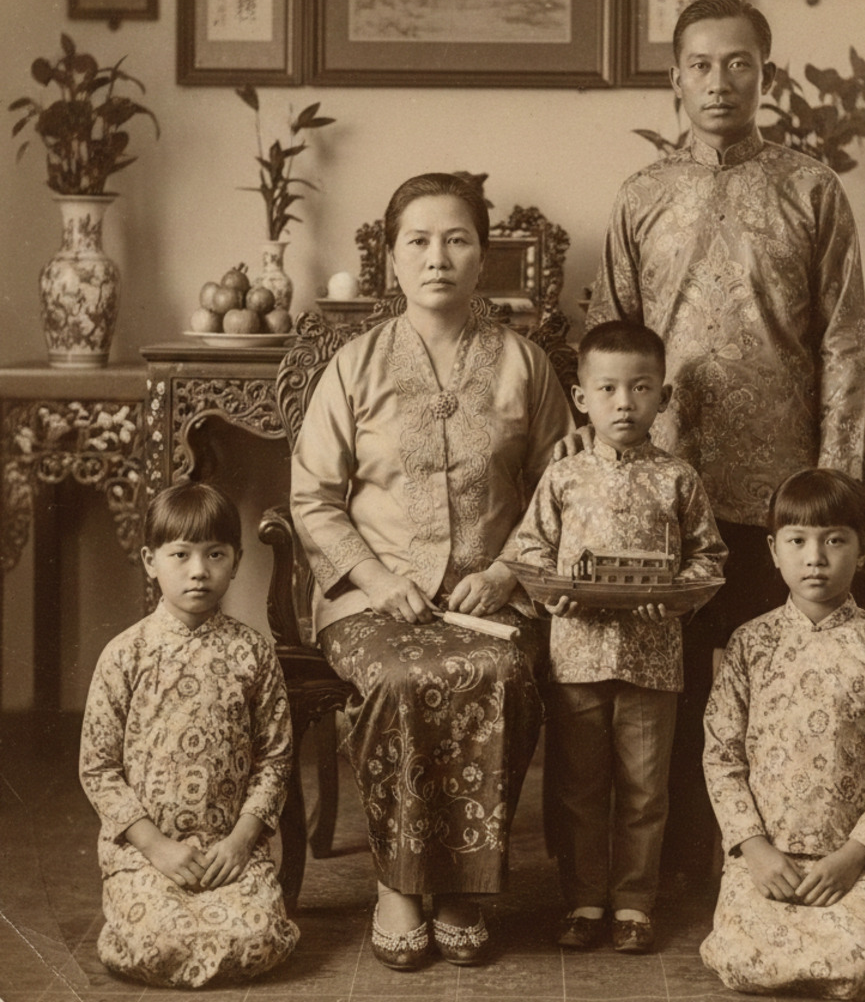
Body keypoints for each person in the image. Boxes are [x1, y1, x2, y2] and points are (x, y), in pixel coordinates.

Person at [584, 0, 865, 882]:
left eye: (739, 64)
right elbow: (609, 331)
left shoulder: (811, 188)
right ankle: (659, 866)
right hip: (657, 482)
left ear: (766, 76)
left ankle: (763, 854)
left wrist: (834, 475)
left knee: (760, 674)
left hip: (775, 482)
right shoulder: (642, 195)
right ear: (676, 79)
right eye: (702, 65)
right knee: (663, 682)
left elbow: (844, 341)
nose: (720, 83)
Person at [290, 172, 575, 970]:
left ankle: (465, 890)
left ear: (484, 257)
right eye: (417, 240)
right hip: (369, 601)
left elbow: (563, 489)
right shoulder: (356, 365)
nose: (437, 256)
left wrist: (512, 570)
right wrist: (379, 582)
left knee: (498, 669)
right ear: (390, 257)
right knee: (402, 680)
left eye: (456, 239)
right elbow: (312, 497)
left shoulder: (525, 365)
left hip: (490, 600)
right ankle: (401, 884)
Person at [515, 321, 727, 954]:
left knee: (643, 789)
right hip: (577, 656)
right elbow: (529, 548)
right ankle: (583, 898)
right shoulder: (563, 478)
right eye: (607, 389)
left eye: (640, 387)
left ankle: (634, 902)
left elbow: (708, 557)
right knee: (580, 789)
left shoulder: (677, 479)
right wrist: (548, 588)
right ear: (582, 398)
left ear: (663, 396)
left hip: (652, 659)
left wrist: (675, 598)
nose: (624, 403)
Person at [701, 468, 865, 999]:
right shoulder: (750, 645)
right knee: (741, 961)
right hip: (768, 858)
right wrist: (754, 850)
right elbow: (722, 758)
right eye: (797, 541)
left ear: (863, 548)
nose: (816, 558)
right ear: (773, 551)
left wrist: (853, 857)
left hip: (853, 860)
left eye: (834, 541)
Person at [79, 481, 298, 988]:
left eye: (215, 554)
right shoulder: (125, 655)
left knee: (258, 936)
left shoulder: (252, 653)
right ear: (151, 560)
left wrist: (241, 842)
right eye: (180, 554)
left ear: (237, 560)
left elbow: (275, 759)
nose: (199, 570)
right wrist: (155, 847)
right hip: (148, 851)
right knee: (157, 941)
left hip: (229, 848)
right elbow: (99, 768)